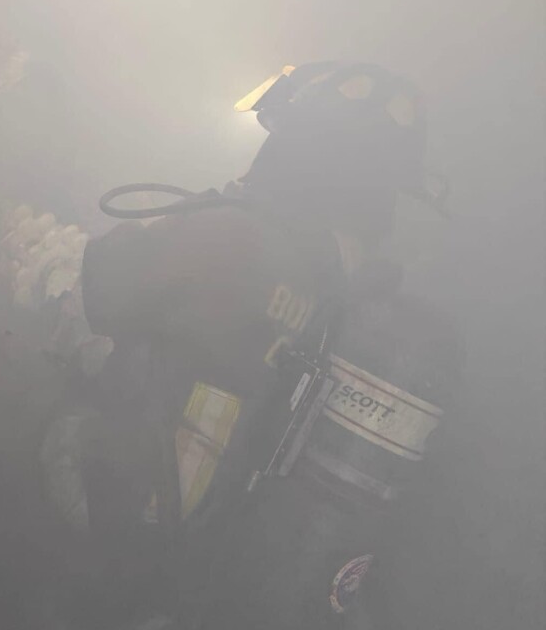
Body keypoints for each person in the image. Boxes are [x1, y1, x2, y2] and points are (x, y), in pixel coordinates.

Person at [78, 61, 462, 629]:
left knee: (5, 377)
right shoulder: (356, 285)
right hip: (226, 547)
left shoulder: (229, 233)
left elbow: (106, 290)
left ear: (300, 144)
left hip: (135, 511)